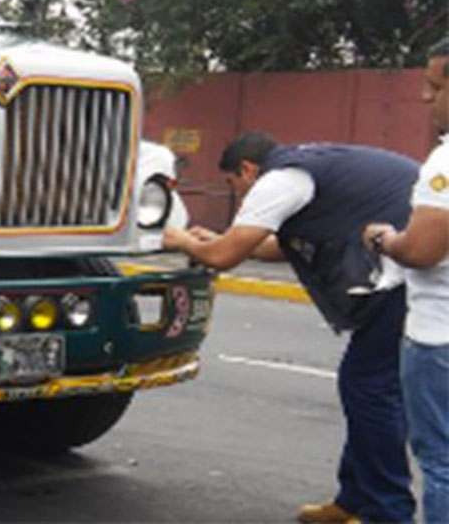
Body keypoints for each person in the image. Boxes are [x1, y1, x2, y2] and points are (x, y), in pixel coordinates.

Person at [163, 133, 416, 524]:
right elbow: (280, 245)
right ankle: (355, 500)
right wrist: (222, 238)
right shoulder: (307, 169)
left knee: (369, 389)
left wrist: (180, 239)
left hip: (404, 278)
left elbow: (225, 257)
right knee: (366, 387)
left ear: (248, 169)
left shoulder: (281, 179)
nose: (242, 198)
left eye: (235, 186)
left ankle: (387, 511)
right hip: (403, 275)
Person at [362, 37, 449, 524]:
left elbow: (422, 250)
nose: (424, 98)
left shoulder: (444, 164)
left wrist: (383, 239)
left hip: (438, 337)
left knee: (441, 462)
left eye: (434, 86)